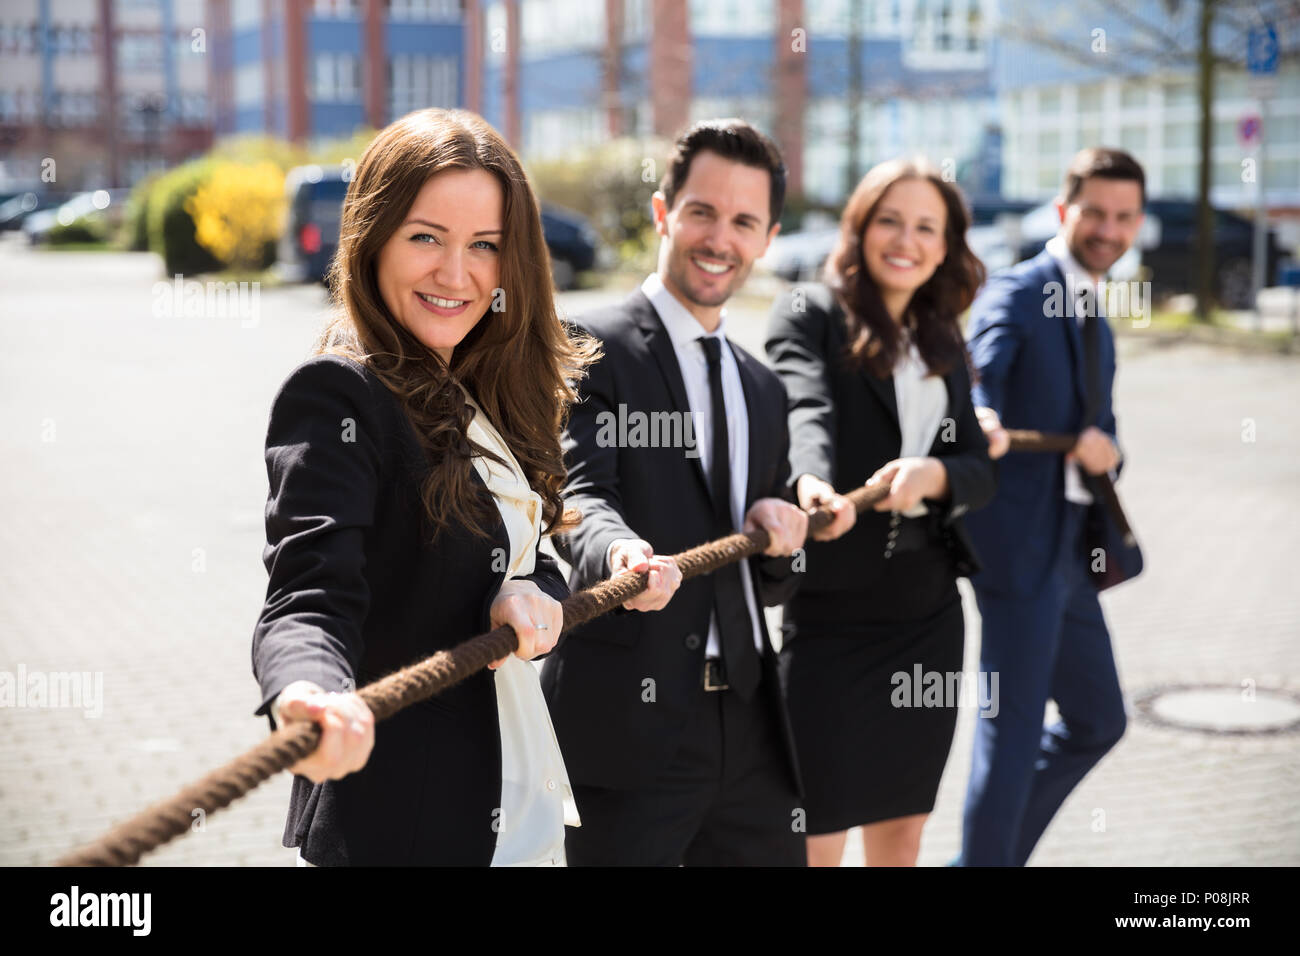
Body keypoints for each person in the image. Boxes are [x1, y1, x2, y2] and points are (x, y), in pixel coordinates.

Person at [250, 108, 596, 866]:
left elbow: (524, 550)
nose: (455, 273)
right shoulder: (338, 396)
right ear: (371, 240)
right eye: (425, 237)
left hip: (507, 801)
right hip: (400, 825)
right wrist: (306, 694)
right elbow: (309, 595)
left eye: (485, 247)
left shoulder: (480, 389)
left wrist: (528, 590)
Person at [541, 119, 810, 866]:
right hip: (631, 723)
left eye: (744, 221)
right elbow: (577, 496)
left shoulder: (762, 388)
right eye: (702, 212)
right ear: (664, 212)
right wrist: (618, 553)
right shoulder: (591, 345)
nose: (719, 237)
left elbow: (774, 579)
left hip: (752, 723)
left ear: (766, 237)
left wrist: (782, 537)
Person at [764, 158, 995, 866]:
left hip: (927, 617)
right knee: (816, 833)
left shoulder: (942, 336)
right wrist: (809, 479)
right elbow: (805, 405)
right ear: (860, 226)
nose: (907, 240)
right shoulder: (811, 310)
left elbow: (979, 472)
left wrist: (935, 476)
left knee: (903, 830)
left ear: (947, 242)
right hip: (831, 620)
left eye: (927, 226)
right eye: (890, 220)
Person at [958, 147, 1141, 866]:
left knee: (1099, 719)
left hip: (1069, 546)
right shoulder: (1019, 290)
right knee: (1012, 731)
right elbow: (981, 378)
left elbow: (1106, 426)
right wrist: (981, 414)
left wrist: (1108, 449)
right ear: (1064, 211)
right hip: (1015, 547)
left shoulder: (1095, 309)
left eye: (1124, 216)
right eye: (1095, 212)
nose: (1109, 228)